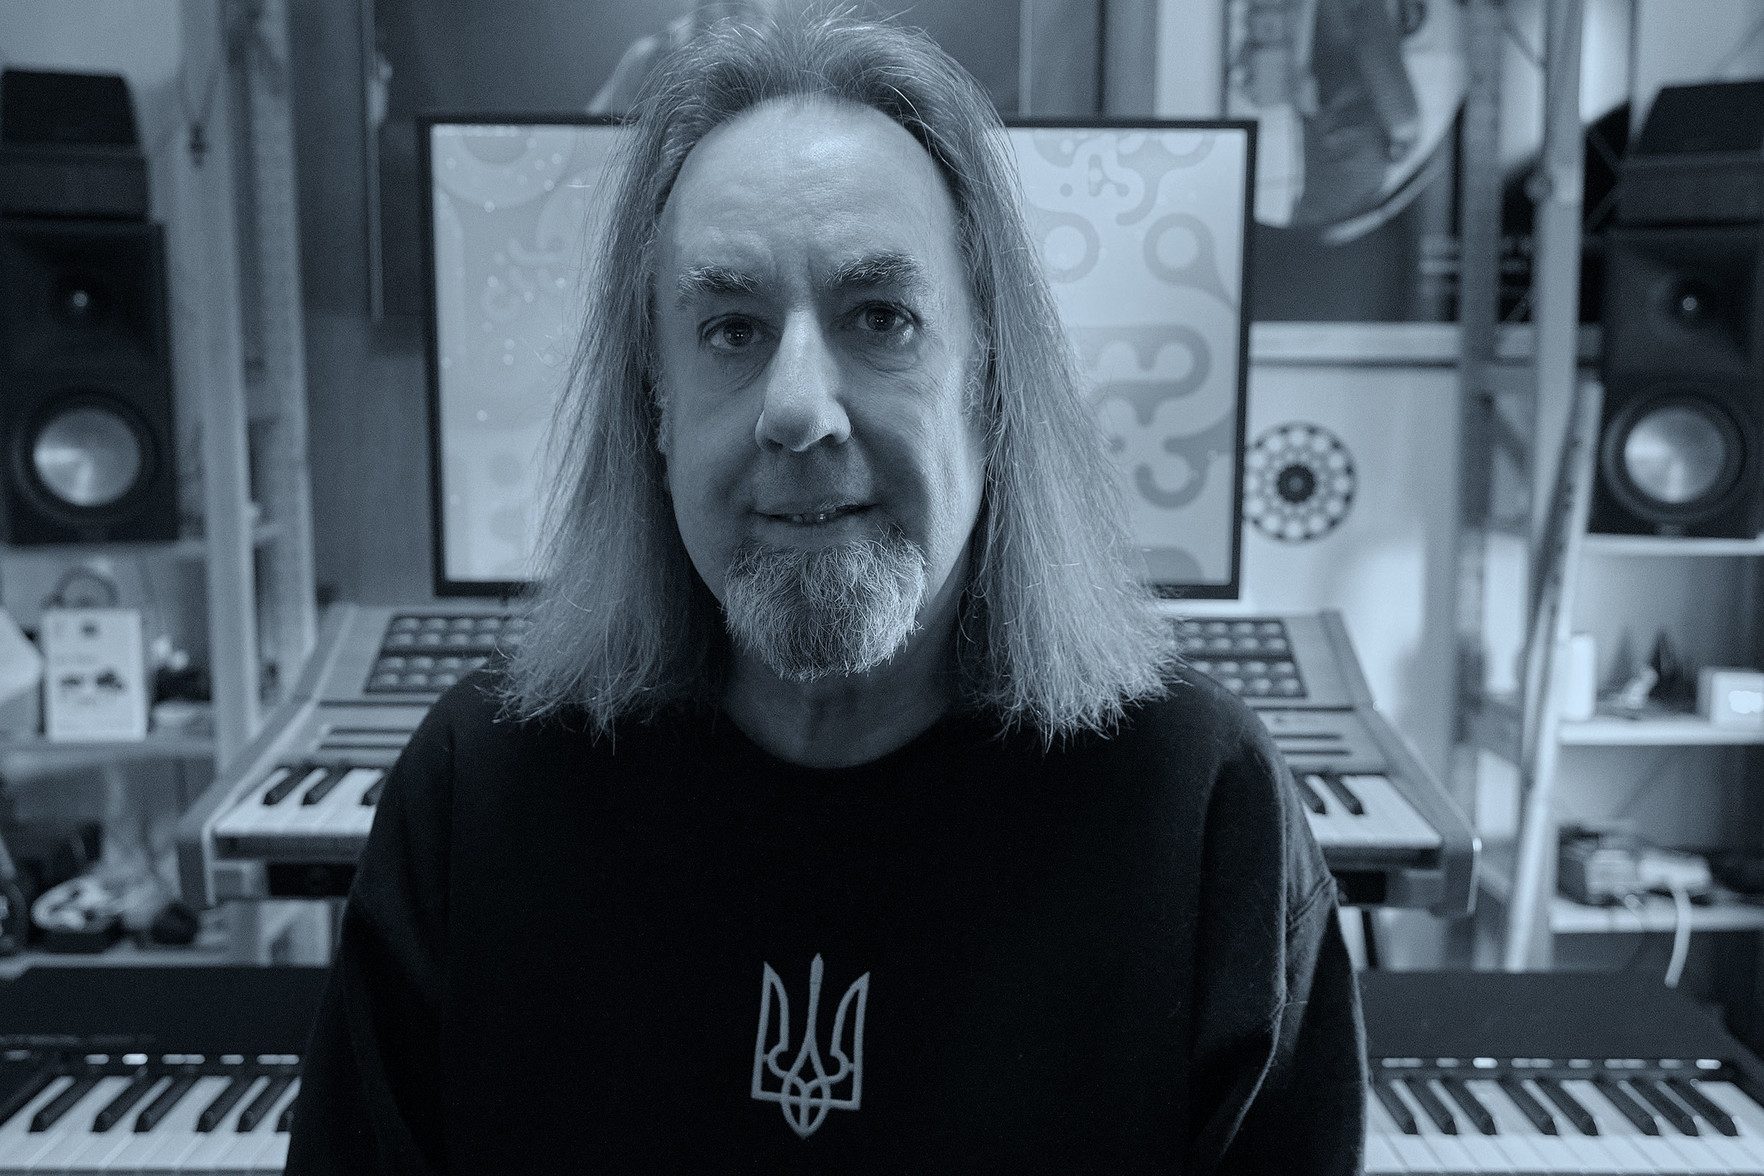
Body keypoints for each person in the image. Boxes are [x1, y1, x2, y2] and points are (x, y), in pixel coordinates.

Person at [287, 12, 1365, 1173]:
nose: (798, 408)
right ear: (654, 400)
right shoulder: (476, 795)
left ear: (990, 378)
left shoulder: (1202, 811)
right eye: (732, 328)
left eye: (881, 318)